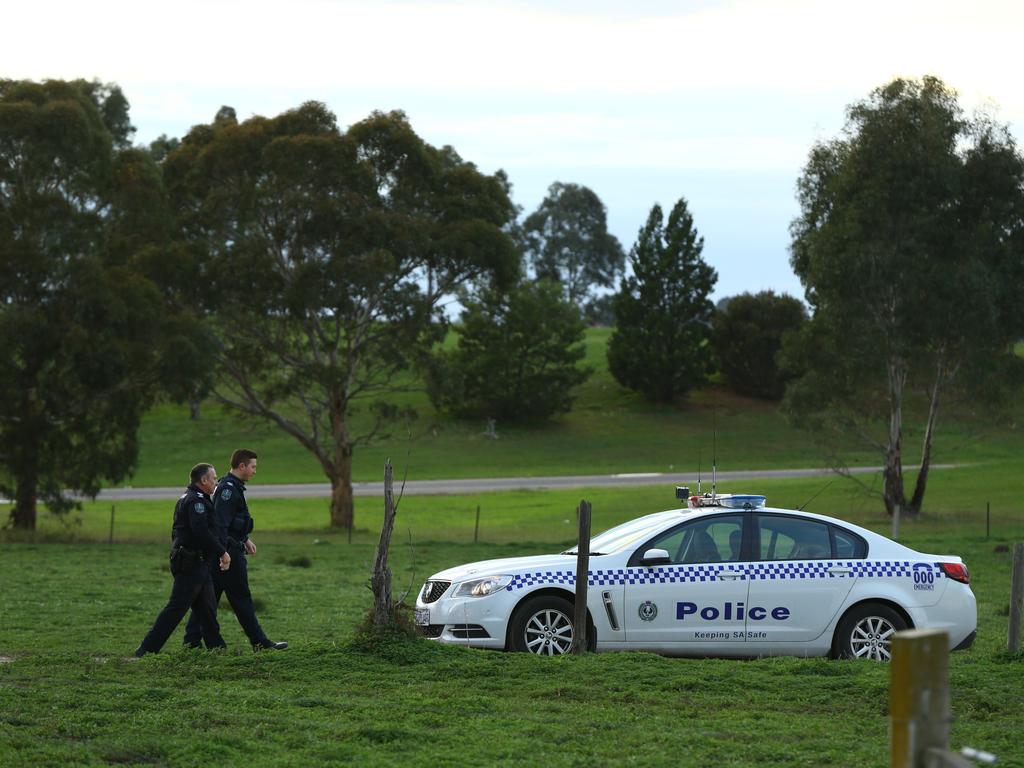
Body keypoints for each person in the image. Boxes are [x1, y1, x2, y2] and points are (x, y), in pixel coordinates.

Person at [184, 449, 288, 651]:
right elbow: (220, 524)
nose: (254, 471)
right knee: (242, 599)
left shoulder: (233, 487)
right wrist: (225, 553)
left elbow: (232, 522)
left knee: (207, 599)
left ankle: (191, 642)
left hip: (225, 551)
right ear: (242, 466)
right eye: (253, 467)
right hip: (228, 555)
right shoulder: (228, 490)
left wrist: (245, 539)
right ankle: (260, 643)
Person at [135, 463, 230, 656]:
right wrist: (222, 552)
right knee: (176, 608)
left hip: (198, 563)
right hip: (191, 564)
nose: (216, 481)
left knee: (208, 609)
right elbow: (201, 531)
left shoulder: (192, 498)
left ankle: (217, 650)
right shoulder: (197, 501)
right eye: (214, 478)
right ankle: (146, 650)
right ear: (203, 480)